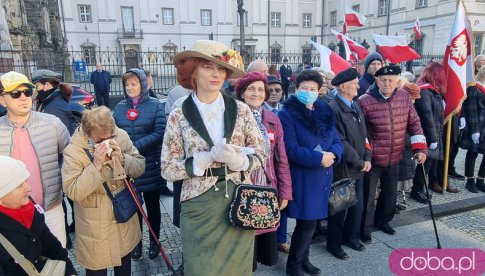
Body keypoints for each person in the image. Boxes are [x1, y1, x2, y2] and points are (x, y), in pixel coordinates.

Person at [161, 40, 266, 275]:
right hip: (198, 204)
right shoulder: (178, 114)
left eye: (220, 68)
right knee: (200, 269)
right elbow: (167, 169)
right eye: (208, 67)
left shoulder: (241, 109)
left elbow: (261, 154)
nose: (216, 74)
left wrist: (240, 162)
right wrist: (203, 159)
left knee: (237, 270)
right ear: (193, 72)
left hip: (239, 200)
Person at [62, 106, 145, 275]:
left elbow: (140, 166)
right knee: (96, 270)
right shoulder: (73, 151)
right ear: (88, 134)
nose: (107, 141)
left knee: (124, 268)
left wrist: (122, 158)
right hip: (94, 226)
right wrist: (96, 166)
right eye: (100, 140)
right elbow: (73, 191)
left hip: (122, 217)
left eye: (110, 136)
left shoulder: (120, 136)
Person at [279, 70, 343, 276]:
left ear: (319, 91)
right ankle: (294, 266)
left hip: (323, 174)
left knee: (311, 222)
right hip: (304, 177)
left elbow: (336, 140)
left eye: (313, 89)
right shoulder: (286, 114)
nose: (308, 92)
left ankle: (304, 260)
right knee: (306, 223)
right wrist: (319, 158)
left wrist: (333, 154)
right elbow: (290, 148)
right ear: (296, 90)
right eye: (304, 88)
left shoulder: (324, 110)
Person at [0, 71, 70, 247]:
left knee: (58, 261)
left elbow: (71, 156)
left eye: (27, 92)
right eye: (15, 94)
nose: (23, 98)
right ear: (2, 100)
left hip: (51, 209)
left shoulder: (52, 123)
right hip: (10, 215)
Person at [358, 65, 427, 241]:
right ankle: (364, 228)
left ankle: (383, 220)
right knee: (367, 196)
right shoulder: (364, 101)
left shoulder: (404, 96)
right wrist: (367, 154)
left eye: (391, 80)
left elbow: (414, 123)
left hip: (395, 155)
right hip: (373, 158)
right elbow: (362, 133)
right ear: (376, 81)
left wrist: (420, 148)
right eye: (383, 80)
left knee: (389, 193)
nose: (387, 83)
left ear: (397, 81)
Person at [235, 71, 292, 270]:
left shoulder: (273, 120)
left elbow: (281, 159)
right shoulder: (232, 116)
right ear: (241, 92)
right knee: (241, 237)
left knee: (260, 236)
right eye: (251, 89)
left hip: (266, 187)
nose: (256, 93)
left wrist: (284, 192)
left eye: (260, 89)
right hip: (240, 186)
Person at [113, 68, 169, 261]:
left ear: (143, 85)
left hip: (149, 164)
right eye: (127, 84)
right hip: (128, 165)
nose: (130, 87)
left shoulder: (155, 105)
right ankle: (136, 243)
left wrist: (134, 147)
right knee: (134, 206)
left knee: (152, 206)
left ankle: (155, 241)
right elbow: (114, 132)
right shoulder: (119, 107)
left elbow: (160, 131)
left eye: (134, 83)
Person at [0, 156, 77, 276]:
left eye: (26, 181)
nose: (28, 188)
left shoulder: (29, 209)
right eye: (19, 185)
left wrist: (71, 273)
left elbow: (54, 249)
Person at [326, 68, 371, 260]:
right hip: (345, 167)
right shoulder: (333, 108)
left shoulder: (354, 103)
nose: (358, 86)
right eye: (354, 83)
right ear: (343, 86)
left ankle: (351, 238)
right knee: (340, 208)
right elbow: (341, 141)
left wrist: (368, 157)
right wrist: (360, 161)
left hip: (360, 165)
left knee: (357, 206)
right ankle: (334, 244)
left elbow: (364, 134)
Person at [412, 62, 459, 200]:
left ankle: (420, 188)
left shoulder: (433, 92)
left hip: (433, 134)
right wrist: (433, 139)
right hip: (427, 136)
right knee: (424, 165)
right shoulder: (426, 92)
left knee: (428, 165)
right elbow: (428, 118)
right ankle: (417, 190)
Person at [460, 66, 485, 193]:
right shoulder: (474, 87)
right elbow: (472, 109)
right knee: (472, 153)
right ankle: (470, 181)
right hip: (477, 125)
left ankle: (481, 180)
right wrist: (475, 130)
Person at [396, 83, 422, 201]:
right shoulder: (399, 107)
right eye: (412, 98)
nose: (414, 102)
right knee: (397, 177)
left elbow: (415, 126)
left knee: (405, 173)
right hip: (400, 146)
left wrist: (420, 147)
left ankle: (397, 199)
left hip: (407, 146)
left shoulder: (410, 108)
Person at [32, 69, 76, 135]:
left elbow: (62, 136)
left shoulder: (55, 106)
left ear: (47, 85)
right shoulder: (49, 101)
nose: (35, 90)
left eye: (37, 86)